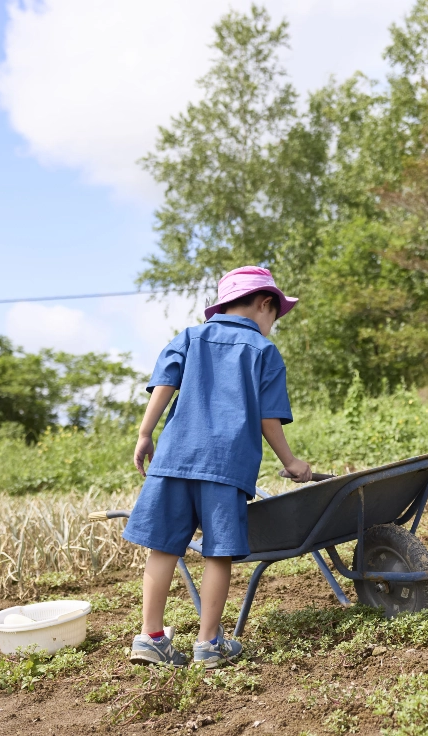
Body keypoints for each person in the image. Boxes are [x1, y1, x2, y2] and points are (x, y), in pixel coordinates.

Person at [122, 266, 312, 668]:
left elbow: (163, 387)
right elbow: (267, 418)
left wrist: (144, 434)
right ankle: (208, 644)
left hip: (174, 460)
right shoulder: (263, 351)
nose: (273, 326)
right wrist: (291, 462)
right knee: (218, 554)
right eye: (275, 317)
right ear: (265, 304)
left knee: (163, 548)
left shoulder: (189, 337)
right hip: (226, 465)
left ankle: (151, 637)